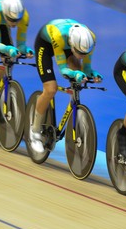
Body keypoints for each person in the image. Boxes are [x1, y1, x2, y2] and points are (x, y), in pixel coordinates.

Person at [29, 19, 103, 153]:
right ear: (73, 45)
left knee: (79, 73)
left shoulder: (91, 38)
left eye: (84, 54)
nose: (81, 57)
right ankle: (34, 132)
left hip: (67, 45)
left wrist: (91, 73)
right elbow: (63, 69)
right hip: (46, 45)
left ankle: (73, 105)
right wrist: (75, 74)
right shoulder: (58, 36)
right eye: (79, 53)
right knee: (51, 88)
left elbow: (86, 67)